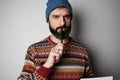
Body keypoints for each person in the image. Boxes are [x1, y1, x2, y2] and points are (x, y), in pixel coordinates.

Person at [18, 0, 95, 80]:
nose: (62, 23)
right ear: (48, 20)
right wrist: (46, 66)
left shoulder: (83, 52)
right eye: (56, 17)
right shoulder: (33, 50)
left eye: (66, 16)